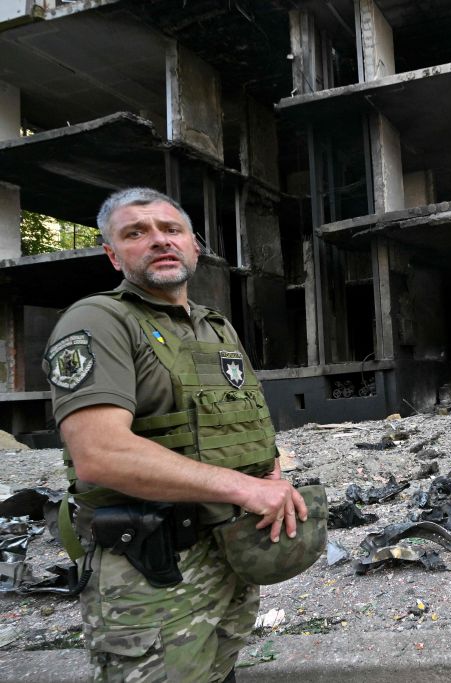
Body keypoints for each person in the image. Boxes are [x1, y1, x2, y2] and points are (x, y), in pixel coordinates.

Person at [43, 188, 309, 682]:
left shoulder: (215, 326)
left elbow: (244, 418)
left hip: (228, 549)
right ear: (113, 255)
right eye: (136, 233)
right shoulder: (99, 320)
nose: (159, 240)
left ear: (193, 246)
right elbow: (100, 454)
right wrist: (245, 488)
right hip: (152, 566)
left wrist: (272, 477)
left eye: (171, 230)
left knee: (221, 672)